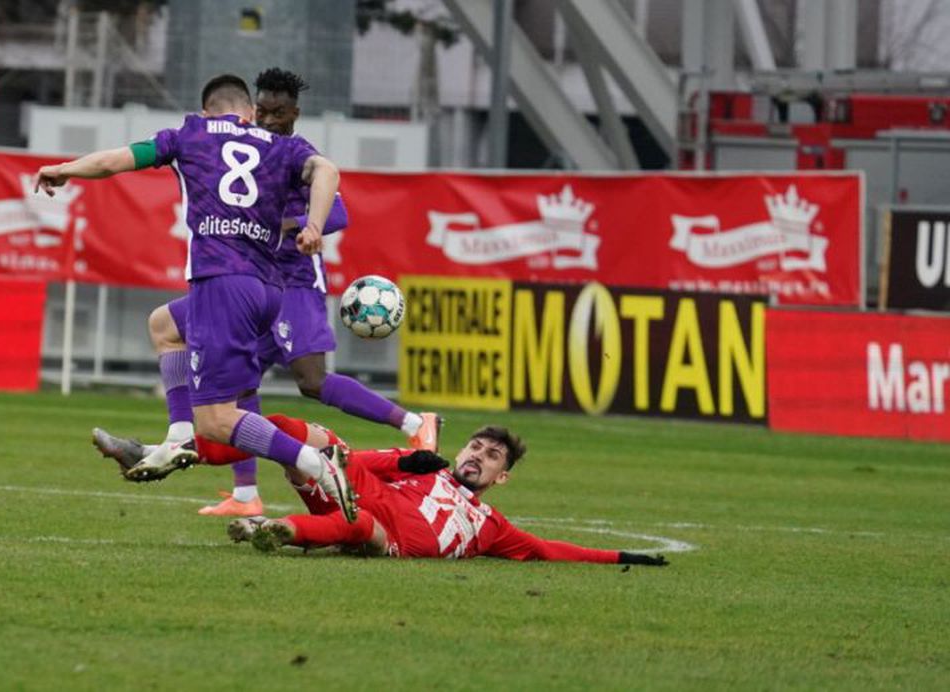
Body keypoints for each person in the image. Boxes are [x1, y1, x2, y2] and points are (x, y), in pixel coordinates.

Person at [37, 74, 357, 522]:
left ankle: (313, 463)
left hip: (220, 283)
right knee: (164, 327)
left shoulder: (192, 132)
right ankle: (181, 438)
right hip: (267, 291)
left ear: (209, 111)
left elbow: (118, 160)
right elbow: (328, 171)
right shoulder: (281, 145)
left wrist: (66, 169)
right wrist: (315, 226)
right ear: (249, 111)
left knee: (219, 421)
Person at [143, 67, 440, 518]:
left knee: (312, 381)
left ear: (294, 114)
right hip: (249, 285)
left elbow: (338, 212)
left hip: (293, 284)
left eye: (278, 112)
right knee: (227, 378)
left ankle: (414, 423)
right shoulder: (250, 148)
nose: (268, 118)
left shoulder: (297, 156)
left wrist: (293, 226)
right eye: (262, 109)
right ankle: (245, 495)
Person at [93, 419, 669, 566]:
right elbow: (352, 463)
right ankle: (164, 453)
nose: (476, 457)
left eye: (491, 457)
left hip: (383, 532)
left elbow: (549, 550)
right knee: (294, 431)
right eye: (475, 447)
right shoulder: (425, 470)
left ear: (502, 479)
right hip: (358, 491)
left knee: (359, 528)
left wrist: (624, 556)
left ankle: (273, 530)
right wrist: (397, 458)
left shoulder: (493, 529)